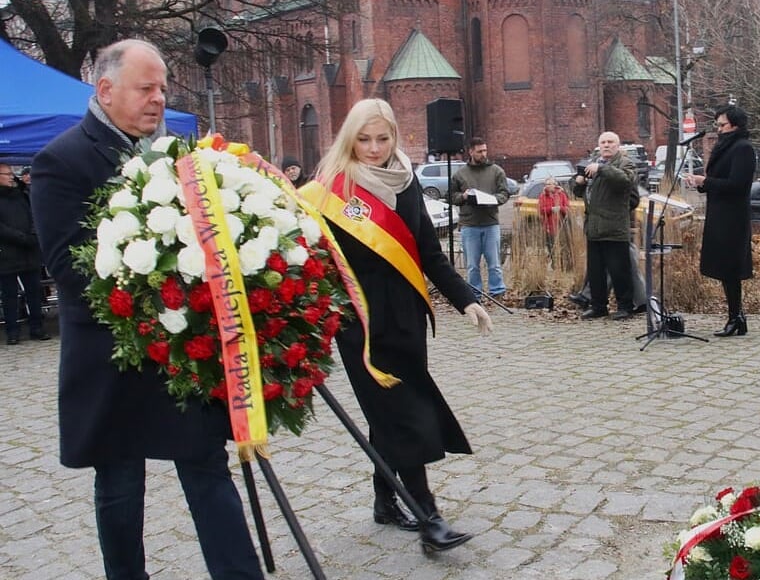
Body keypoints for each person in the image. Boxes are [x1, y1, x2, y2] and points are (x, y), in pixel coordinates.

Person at [31, 39, 264, 579]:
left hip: (186, 348)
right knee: (119, 485)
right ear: (106, 90)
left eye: (162, 87)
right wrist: (159, 276)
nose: (158, 99)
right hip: (112, 356)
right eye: (146, 88)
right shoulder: (60, 161)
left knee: (207, 467)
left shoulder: (179, 156)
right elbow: (68, 268)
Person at [305, 98, 492, 552]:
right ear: (350, 137)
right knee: (403, 415)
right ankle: (428, 516)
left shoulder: (406, 183)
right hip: (361, 324)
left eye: (382, 138)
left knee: (385, 414)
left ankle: (384, 502)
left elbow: (429, 253)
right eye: (364, 139)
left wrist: (466, 300)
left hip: (407, 318)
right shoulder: (331, 188)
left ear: (395, 137)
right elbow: (314, 263)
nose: (373, 149)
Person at [684, 105, 755, 337]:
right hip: (719, 213)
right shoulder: (725, 146)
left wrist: (706, 181)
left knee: (731, 267)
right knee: (724, 268)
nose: (719, 128)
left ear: (735, 124)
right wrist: (700, 183)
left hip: (733, 217)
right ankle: (736, 317)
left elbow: (738, 184)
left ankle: (736, 317)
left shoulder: (742, 148)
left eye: (722, 124)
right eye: (718, 124)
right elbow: (717, 180)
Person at [573, 131, 638, 320]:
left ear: (618, 145)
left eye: (610, 142)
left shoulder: (625, 163)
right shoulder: (592, 163)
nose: (606, 145)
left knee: (620, 271)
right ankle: (598, 306)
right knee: (596, 272)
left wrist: (601, 169)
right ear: (598, 146)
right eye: (603, 142)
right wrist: (579, 182)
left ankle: (625, 307)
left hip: (614, 227)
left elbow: (625, 181)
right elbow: (578, 191)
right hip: (594, 227)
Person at [450, 137, 510, 297]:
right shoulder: (460, 174)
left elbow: (504, 193)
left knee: (494, 263)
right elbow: (451, 196)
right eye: (479, 151)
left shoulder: (496, 171)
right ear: (471, 152)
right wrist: (463, 197)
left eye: (485, 150)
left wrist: (494, 200)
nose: (483, 154)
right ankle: (474, 294)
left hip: (490, 222)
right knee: (472, 265)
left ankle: (497, 292)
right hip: (469, 224)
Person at [0, 162, 49, 345]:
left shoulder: (22, 195)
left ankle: (37, 327)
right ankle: (12, 331)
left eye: (11, 173)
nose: (11, 176)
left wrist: (33, 234)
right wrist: (22, 237)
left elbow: (35, 215)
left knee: (34, 292)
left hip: (29, 252)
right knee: (9, 295)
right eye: (6, 174)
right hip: (7, 254)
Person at [538, 176, 571, 259]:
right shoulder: (542, 196)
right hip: (549, 226)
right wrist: (551, 209)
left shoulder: (561, 194)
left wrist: (560, 208)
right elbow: (541, 210)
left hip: (561, 226)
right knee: (551, 247)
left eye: (550, 184)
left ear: (555, 185)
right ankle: (554, 265)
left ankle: (565, 265)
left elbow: (567, 208)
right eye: (546, 184)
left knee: (563, 246)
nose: (548, 186)